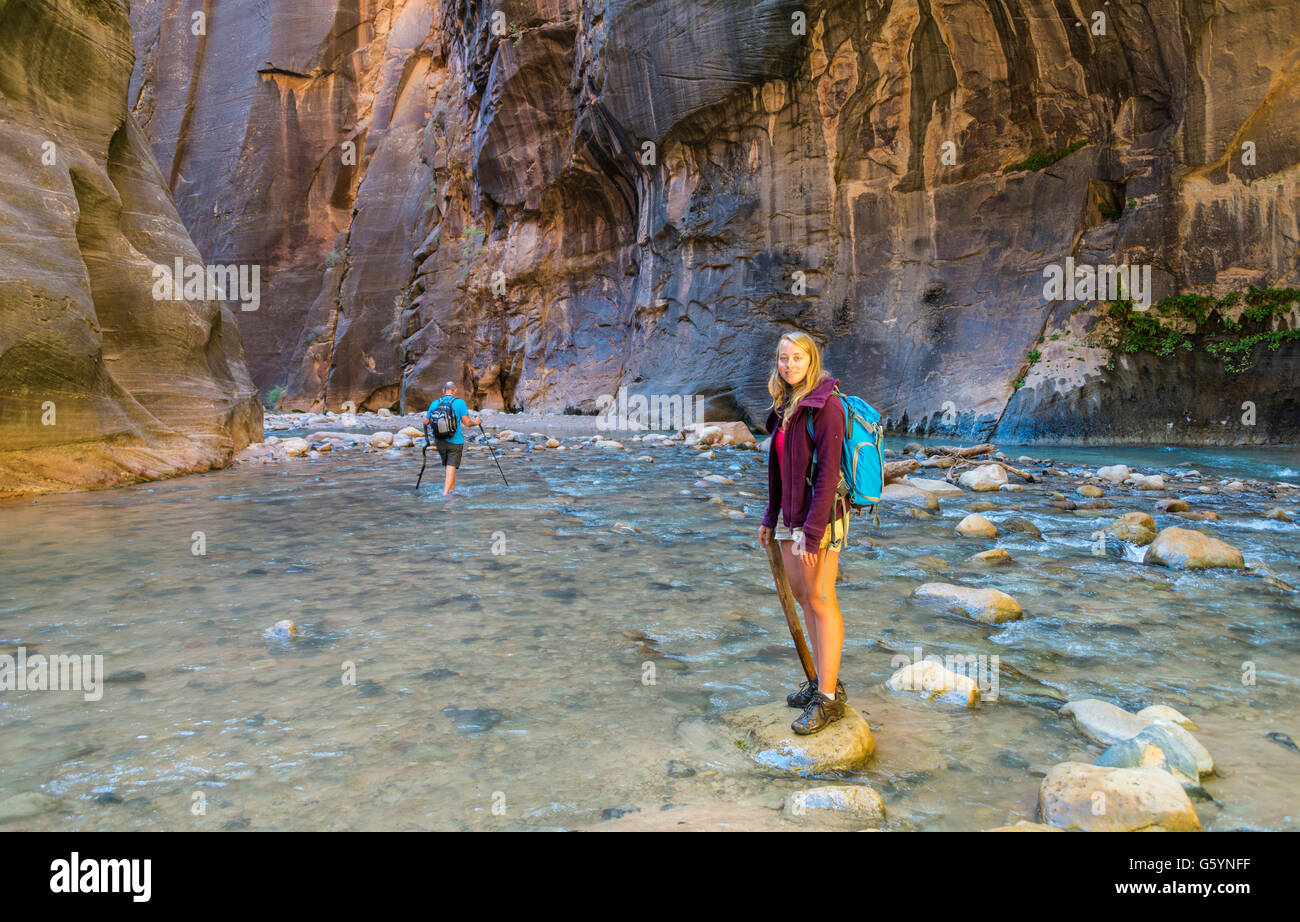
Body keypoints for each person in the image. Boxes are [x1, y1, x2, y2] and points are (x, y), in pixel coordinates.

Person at [758, 332, 850, 734]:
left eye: (797, 358)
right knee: (802, 595)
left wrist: (811, 534)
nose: (789, 365)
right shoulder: (785, 407)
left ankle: (828, 699)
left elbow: (829, 475)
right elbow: (777, 470)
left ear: (811, 361)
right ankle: (822, 681)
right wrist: (768, 517)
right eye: (783, 359)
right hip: (789, 516)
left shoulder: (826, 406)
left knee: (820, 596)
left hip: (822, 516)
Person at [426, 382, 481, 495]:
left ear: (443, 390)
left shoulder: (435, 403)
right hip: (455, 440)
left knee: (448, 467)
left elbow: (426, 421)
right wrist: (476, 422)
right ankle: (445, 494)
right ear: (455, 391)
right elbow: (466, 422)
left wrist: (424, 416)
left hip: (439, 440)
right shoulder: (459, 402)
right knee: (451, 468)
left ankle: (453, 490)